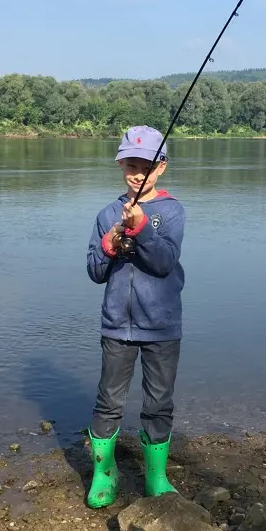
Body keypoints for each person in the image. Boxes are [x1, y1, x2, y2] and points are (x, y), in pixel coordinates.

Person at [85, 125, 186, 509]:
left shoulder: (172, 211)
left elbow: (163, 263)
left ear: (160, 167)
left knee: (158, 401)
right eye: (130, 163)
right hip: (117, 326)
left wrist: (141, 227)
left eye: (145, 164)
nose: (137, 172)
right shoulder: (106, 213)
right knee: (108, 401)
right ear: (121, 165)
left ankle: (156, 477)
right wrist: (109, 245)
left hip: (162, 325)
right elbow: (95, 272)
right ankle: (103, 473)